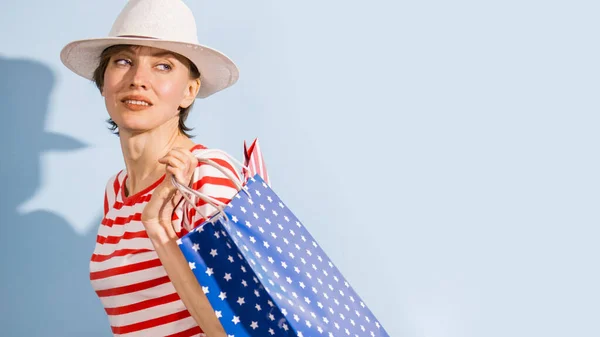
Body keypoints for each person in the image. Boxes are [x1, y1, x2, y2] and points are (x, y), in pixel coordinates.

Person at [60, 1, 243, 336]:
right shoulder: (116, 190)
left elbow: (237, 328)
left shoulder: (204, 177)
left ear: (189, 91)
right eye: (124, 61)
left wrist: (160, 231)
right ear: (103, 82)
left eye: (163, 66)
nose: (138, 79)